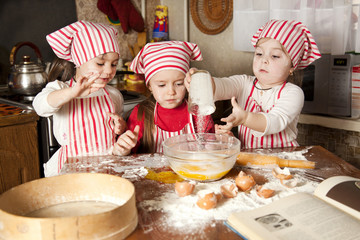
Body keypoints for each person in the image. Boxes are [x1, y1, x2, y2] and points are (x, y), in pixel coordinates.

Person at [185, 19, 321, 149]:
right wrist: (200, 80)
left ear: (292, 66)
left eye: (275, 56)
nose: (264, 60)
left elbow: (275, 121)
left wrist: (246, 118)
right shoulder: (244, 83)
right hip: (250, 161)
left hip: (284, 161)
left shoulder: (293, 93)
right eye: (259, 53)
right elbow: (221, 86)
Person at [33, 21, 127, 177]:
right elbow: (40, 106)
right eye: (100, 63)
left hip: (106, 169)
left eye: (114, 64)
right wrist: (72, 93)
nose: (109, 70)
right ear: (79, 60)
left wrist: (120, 127)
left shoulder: (114, 95)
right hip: (69, 172)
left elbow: (116, 130)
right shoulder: (60, 89)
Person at [114, 41, 215, 155]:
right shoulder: (141, 114)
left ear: (187, 83)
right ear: (149, 86)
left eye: (179, 83)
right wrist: (123, 149)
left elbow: (211, 150)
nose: (171, 92)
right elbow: (127, 155)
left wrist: (221, 139)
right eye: (162, 85)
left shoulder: (198, 112)